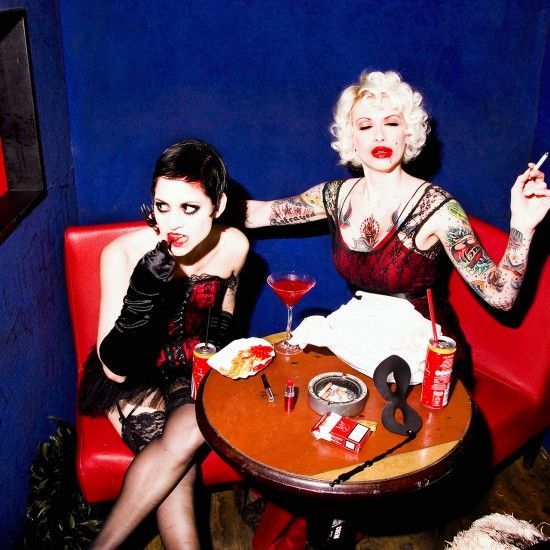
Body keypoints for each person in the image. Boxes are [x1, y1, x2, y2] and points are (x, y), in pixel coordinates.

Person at [245, 70, 549, 549]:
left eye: (392, 123)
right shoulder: (336, 196)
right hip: (361, 323)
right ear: (350, 137)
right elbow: (261, 213)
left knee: (350, 423)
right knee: (304, 391)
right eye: (365, 126)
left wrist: (522, 227)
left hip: (420, 341)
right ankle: (301, 502)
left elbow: (501, 295)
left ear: (411, 131)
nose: (380, 136)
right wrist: (195, 203)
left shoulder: (437, 208)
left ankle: (331, 521)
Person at [79, 139, 249, 548]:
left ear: (218, 205)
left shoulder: (235, 246)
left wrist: (212, 368)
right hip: (133, 370)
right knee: (180, 469)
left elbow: (222, 321)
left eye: (189, 208)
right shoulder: (122, 253)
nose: (173, 223)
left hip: (189, 366)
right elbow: (114, 368)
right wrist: (141, 295)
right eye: (162, 206)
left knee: (187, 434)